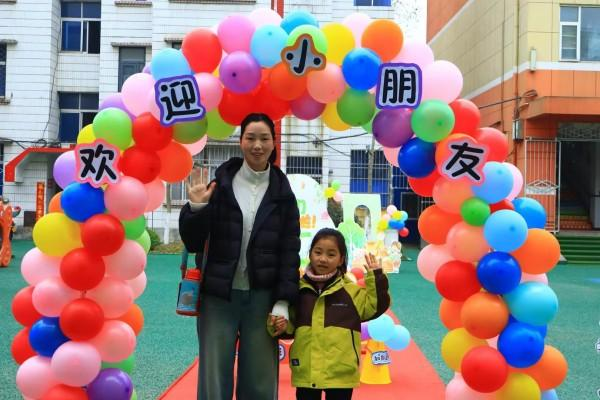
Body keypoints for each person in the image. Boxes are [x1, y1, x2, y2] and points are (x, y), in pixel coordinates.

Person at [179, 113, 301, 400]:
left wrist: (282, 302)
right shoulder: (219, 186)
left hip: (262, 299)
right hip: (218, 297)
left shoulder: (283, 194)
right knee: (213, 380)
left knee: (260, 380)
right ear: (241, 142)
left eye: (264, 138)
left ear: (274, 143)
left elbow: (289, 251)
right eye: (251, 138)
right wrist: (196, 209)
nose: (257, 145)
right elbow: (193, 241)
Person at [269, 228, 390, 400]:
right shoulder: (299, 290)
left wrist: (376, 278)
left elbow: (375, 306)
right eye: (318, 252)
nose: (323, 259)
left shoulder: (351, 291)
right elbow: (290, 326)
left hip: (341, 374)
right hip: (306, 371)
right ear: (310, 254)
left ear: (341, 259)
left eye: (331, 254)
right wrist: (282, 325)